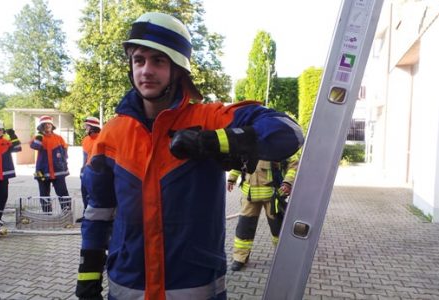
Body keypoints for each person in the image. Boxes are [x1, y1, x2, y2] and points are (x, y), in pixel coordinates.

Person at [76, 12, 304, 300]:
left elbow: (289, 132)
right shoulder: (111, 134)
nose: (146, 70)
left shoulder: (209, 119)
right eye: (139, 60)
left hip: (194, 288)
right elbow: (98, 212)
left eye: (158, 61)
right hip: (128, 288)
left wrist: (214, 141)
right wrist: (87, 278)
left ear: (178, 69)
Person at [226, 151, 300, 272]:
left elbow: (293, 164)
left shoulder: (280, 142)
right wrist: (232, 178)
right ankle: (240, 258)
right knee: (244, 228)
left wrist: (287, 182)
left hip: (273, 195)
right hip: (249, 195)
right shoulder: (249, 142)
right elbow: (239, 162)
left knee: (278, 228)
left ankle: (282, 257)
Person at [30, 115, 71, 213]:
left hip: (58, 171)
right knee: (44, 193)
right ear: (41, 126)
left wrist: (63, 165)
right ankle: (47, 213)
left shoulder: (59, 138)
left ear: (52, 126)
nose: (48, 125)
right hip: (41, 171)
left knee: (63, 192)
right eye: (45, 124)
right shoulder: (37, 138)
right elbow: (35, 146)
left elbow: (65, 154)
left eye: (49, 124)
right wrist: (39, 137)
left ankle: (66, 212)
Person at [76, 116, 101, 223]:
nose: (85, 128)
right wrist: (82, 171)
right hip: (86, 172)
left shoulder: (102, 138)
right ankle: (86, 215)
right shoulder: (86, 140)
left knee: (95, 195)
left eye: (87, 126)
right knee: (84, 194)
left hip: (97, 174)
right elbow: (84, 157)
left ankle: (95, 217)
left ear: (92, 127)